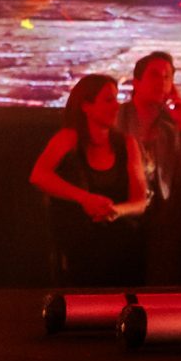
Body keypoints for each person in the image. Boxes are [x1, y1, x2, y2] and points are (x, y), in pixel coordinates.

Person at [31, 72, 148, 287]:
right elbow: (39, 175)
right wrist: (85, 198)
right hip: (79, 245)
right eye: (108, 100)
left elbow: (140, 201)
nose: (116, 106)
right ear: (86, 106)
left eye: (116, 99)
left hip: (122, 244)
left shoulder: (127, 143)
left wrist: (115, 211)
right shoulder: (68, 138)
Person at [117, 50, 181, 280]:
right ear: (136, 82)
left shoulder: (171, 126)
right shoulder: (117, 118)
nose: (161, 82)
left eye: (167, 77)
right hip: (121, 209)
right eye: (154, 75)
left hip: (161, 218)